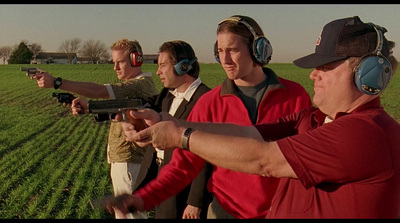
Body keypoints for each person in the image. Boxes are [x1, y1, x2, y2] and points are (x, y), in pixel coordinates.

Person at [116, 16, 400, 218]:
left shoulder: (363, 133)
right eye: (220, 52)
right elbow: (252, 133)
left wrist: (180, 137)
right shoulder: (313, 117)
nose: (314, 74)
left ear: (368, 73)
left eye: (326, 66)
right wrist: (172, 122)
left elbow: (264, 159)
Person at [115, 15, 312, 219]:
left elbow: (307, 161)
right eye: (219, 51)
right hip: (224, 211)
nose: (224, 60)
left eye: (232, 50)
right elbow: (183, 165)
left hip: (280, 212)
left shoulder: (295, 96)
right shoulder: (210, 103)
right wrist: (142, 198)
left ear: (257, 50)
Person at [33, 38, 159, 219]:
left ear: (136, 59)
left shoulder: (138, 84)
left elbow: (98, 91)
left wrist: (57, 82)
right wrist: (88, 107)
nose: (115, 67)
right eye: (113, 62)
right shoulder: (134, 87)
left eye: (120, 62)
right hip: (125, 160)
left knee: (132, 215)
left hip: (130, 162)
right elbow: (115, 110)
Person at [132, 40, 212, 219]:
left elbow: (206, 157)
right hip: (163, 178)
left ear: (182, 67)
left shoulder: (205, 99)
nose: (158, 71)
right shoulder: (167, 95)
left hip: (185, 187)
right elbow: (144, 103)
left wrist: (195, 202)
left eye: (162, 65)